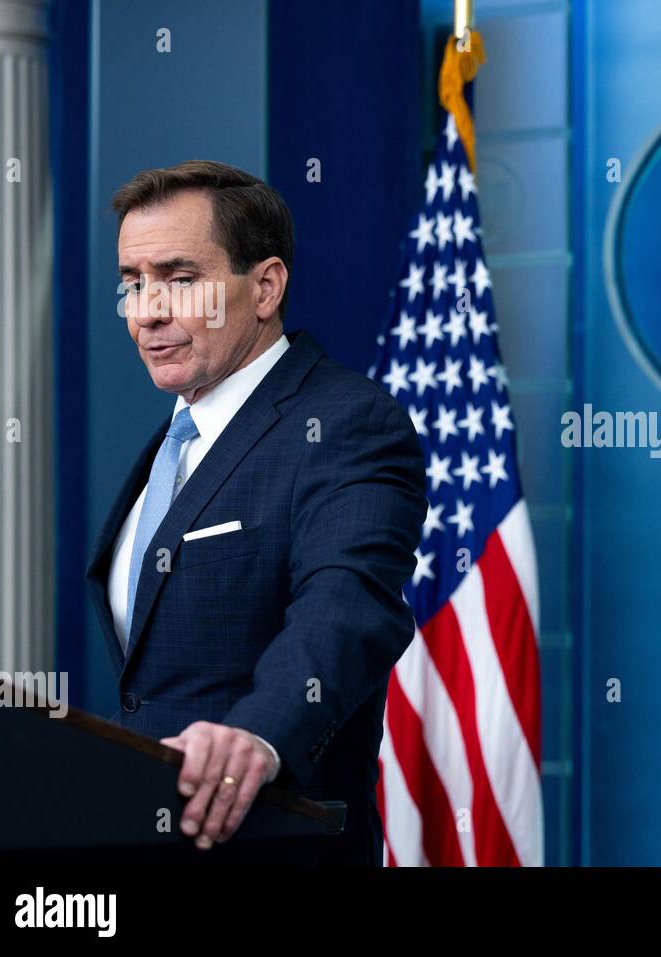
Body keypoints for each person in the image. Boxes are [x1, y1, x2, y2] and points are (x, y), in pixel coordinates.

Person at [85, 160, 425, 864]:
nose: (146, 310)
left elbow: (347, 604)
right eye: (133, 284)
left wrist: (259, 735)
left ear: (266, 286)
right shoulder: (173, 444)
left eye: (181, 280)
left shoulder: (346, 422)